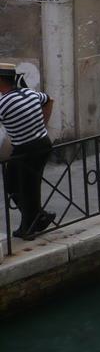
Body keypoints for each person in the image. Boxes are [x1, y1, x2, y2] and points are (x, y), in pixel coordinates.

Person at [0, 64, 55, 239]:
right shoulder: (30, 93)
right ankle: (37, 218)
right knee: (23, 185)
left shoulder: (3, 103)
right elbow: (49, 99)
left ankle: (30, 226)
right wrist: (42, 125)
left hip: (25, 150)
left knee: (20, 186)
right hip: (43, 143)